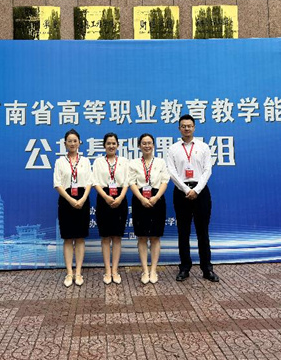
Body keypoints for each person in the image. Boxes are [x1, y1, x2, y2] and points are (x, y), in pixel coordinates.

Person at [166, 114, 219, 282]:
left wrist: (196, 190)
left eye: (189, 126)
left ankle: (207, 268)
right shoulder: (173, 149)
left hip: (200, 192)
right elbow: (172, 172)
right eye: (183, 126)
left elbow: (207, 170)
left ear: (194, 127)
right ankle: (184, 268)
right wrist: (185, 189)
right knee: (183, 232)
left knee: (203, 231)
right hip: (181, 192)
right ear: (179, 128)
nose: (186, 128)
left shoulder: (203, 147)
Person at [128, 133, 169, 284]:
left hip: (157, 199)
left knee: (155, 237)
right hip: (140, 200)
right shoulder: (134, 163)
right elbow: (131, 182)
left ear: (153, 145)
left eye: (149, 143)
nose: (147, 146)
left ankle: (153, 270)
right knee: (142, 237)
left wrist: (156, 197)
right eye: (144, 143)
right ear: (139, 146)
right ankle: (145, 270)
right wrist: (141, 198)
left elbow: (164, 181)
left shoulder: (160, 162)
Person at [53, 129, 92, 287]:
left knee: (80, 238)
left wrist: (82, 199)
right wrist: (70, 199)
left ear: (79, 143)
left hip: (82, 199)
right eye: (69, 141)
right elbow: (57, 184)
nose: (72, 143)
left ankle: (78, 272)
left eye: (75, 141)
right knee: (68, 238)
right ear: (65, 144)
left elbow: (89, 182)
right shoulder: (60, 162)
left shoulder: (85, 161)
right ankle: (69, 272)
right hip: (66, 200)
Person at [92, 133, 129, 285]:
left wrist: (120, 198)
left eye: (114, 143)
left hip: (120, 198)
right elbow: (95, 182)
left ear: (118, 145)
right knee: (105, 237)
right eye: (108, 143)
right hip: (103, 198)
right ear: (104, 145)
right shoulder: (98, 162)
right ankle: (107, 270)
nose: (111, 146)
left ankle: (115, 270)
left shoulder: (124, 161)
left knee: (117, 237)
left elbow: (127, 182)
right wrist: (106, 197)